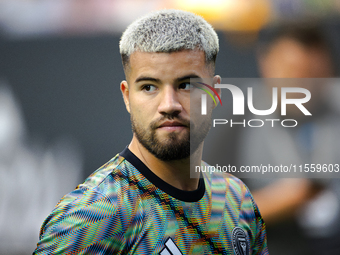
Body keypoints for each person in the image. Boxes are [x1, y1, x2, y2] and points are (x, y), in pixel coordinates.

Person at [33, 9, 268, 254]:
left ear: (215, 93)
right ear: (126, 96)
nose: (169, 105)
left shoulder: (236, 198)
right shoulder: (94, 214)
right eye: (149, 87)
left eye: (186, 85)